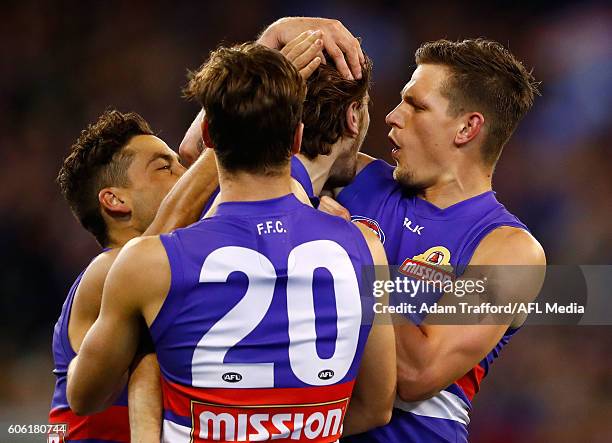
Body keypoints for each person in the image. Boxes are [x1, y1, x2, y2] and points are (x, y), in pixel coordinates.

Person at [66, 42, 395, 442]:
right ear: (296, 138)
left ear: (207, 135)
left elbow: (83, 397)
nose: (399, 116)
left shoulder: (150, 264)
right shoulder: (365, 249)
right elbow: (377, 406)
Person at [251, 17, 546, 442]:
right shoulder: (356, 178)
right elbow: (218, 157)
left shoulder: (508, 249)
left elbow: (416, 374)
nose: (391, 116)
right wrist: (268, 49)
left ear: (467, 128)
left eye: (416, 106)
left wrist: (353, 250)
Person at [51, 109, 219, 442]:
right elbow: (175, 218)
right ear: (115, 200)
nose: (184, 175)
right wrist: (237, 133)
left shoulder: (177, 270)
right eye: (164, 167)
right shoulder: (105, 271)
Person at [180, 29, 372, 213]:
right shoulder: (321, 222)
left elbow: (191, 148)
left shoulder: (227, 178)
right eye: (366, 105)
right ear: (352, 116)